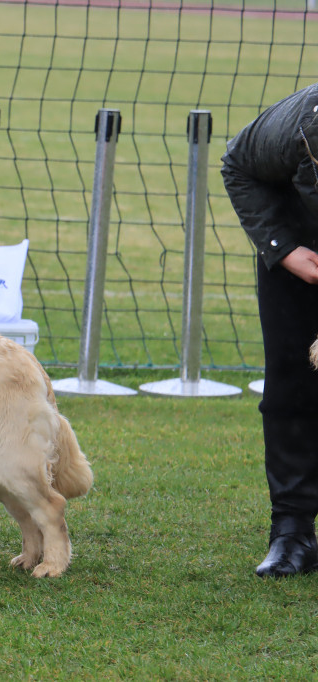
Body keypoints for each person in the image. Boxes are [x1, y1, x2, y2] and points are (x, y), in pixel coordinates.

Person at [221, 82, 318, 578]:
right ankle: (293, 532)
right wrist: (282, 248)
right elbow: (238, 163)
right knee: (292, 385)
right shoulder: (303, 123)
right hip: (305, 256)